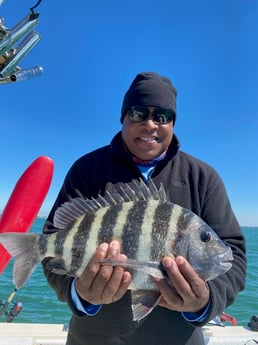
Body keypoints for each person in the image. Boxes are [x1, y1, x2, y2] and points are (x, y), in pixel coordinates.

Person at [42, 72, 246, 345]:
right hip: (94, 339)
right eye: (138, 113)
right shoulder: (87, 169)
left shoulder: (203, 177)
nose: (150, 124)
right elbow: (54, 245)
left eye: (162, 116)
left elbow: (233, 256)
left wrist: (207, 299)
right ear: (123, 117)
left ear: (172, 123)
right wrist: (81, 295)